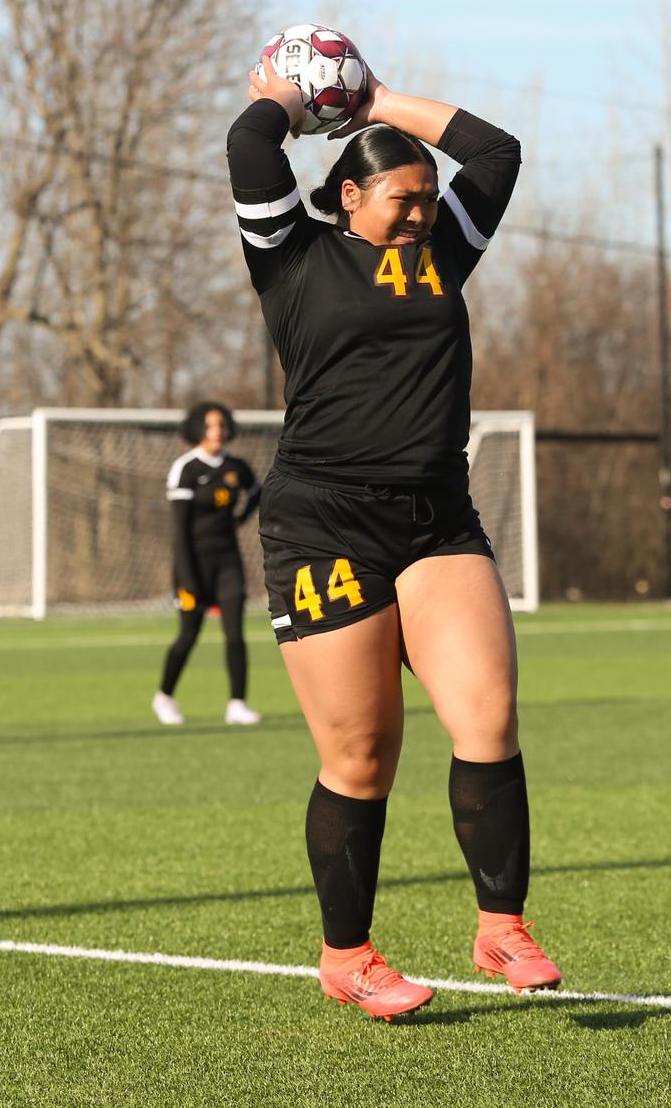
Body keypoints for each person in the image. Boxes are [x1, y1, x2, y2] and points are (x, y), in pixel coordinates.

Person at [228, 53, 558, 1021]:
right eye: (400, 200)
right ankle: (349, 953)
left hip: (436, 519)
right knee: (362, 754)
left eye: (427, 199)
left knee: (488, 717)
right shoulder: (289, 255)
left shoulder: (440, 256)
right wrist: (294, 96)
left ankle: (501, 922)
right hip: (323, 522)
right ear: (345, 194)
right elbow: (252, 139)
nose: (420, 214)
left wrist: (371, 100)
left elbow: (494, 152)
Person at [154, 399, 263, 727]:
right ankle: (165, 696)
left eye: (222, 425)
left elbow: (257, 492)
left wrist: (240, 519)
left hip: (227, 563)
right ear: (198, 429)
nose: (219, 431)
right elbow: (179, 532)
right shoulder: (186, 469)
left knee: (235, 634)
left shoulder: (236, 468)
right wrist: (187, 579)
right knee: (188, 635)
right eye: (212, 425)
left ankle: (237, 703)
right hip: (192, 565)